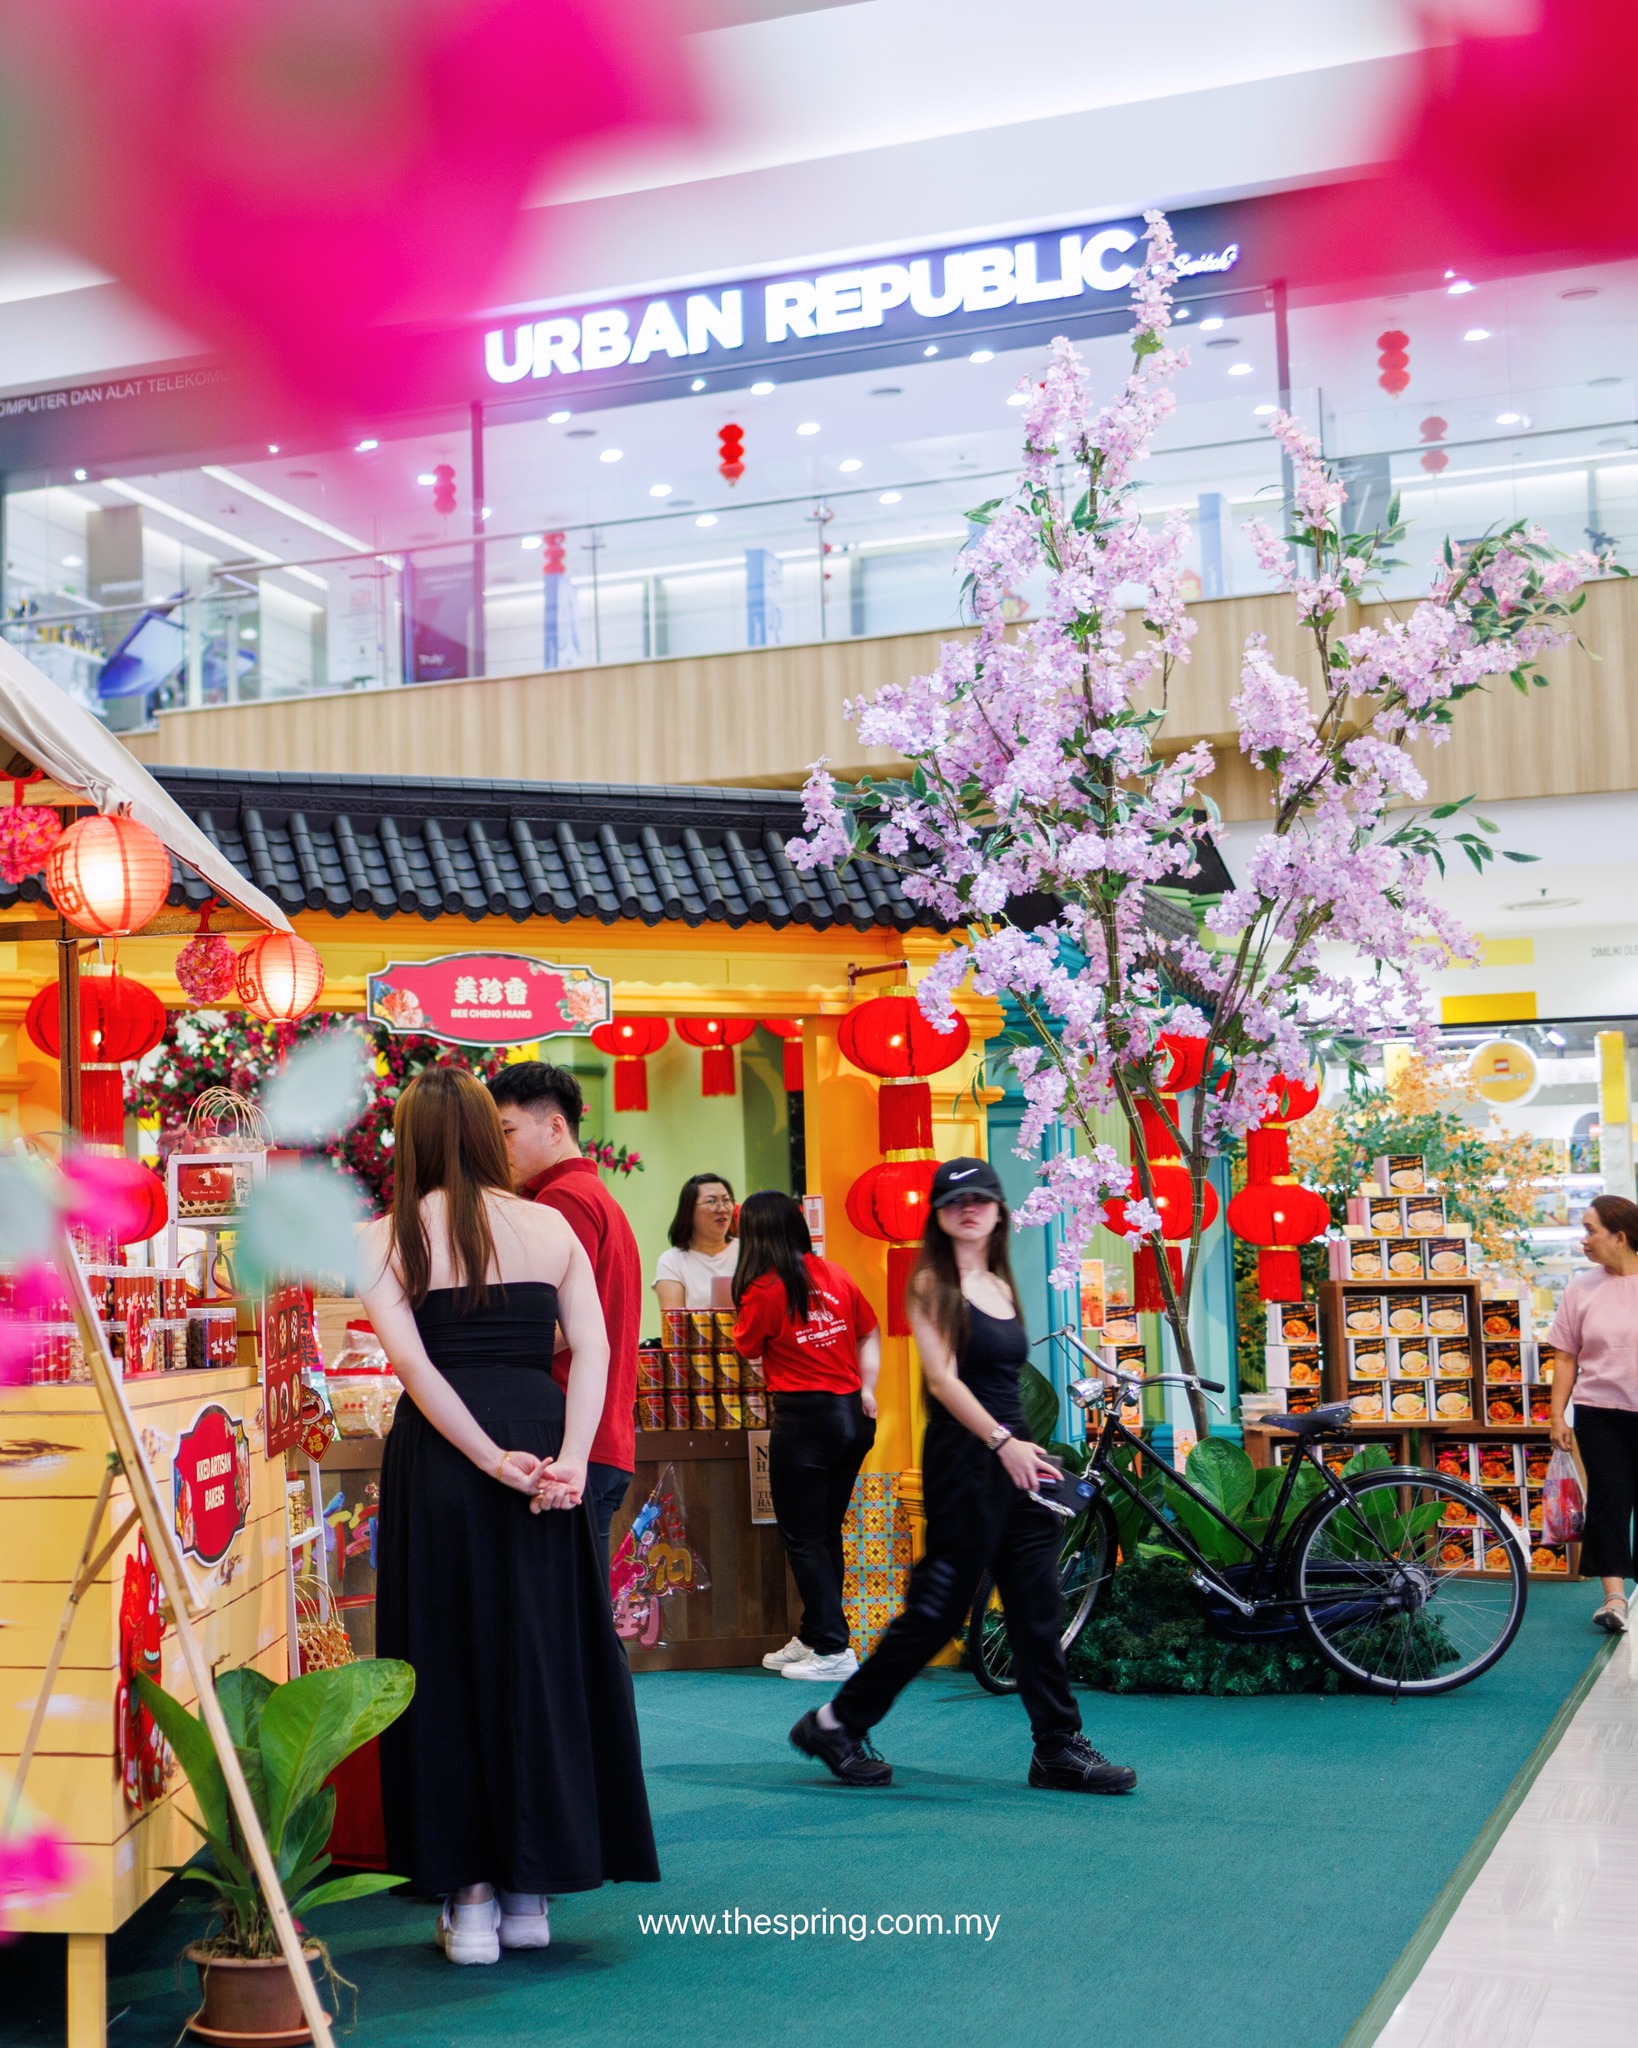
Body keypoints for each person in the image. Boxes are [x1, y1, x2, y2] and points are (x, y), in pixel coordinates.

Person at [363, 1066, 658, 1967]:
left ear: (411, 1141)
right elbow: (596, 1347)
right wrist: (570, 1457)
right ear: (488, 1137)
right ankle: (532, 1895)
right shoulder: (550, 1225)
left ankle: (473, 1904)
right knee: (543, 1657)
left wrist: (490, 1460)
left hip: (445, 1457)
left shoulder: (384, 1236)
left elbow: (416, 1371)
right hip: (544, 1434)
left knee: (447, 1661)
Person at [789, 1156, 1136, 1796]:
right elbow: (943, 1380)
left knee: (1037, 1605)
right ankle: (834, 1724)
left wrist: (1022, 1447)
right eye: (954, 1201)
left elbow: (1002, 1383)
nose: (968, 1209)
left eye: (980, 1198)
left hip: (1018, 1459)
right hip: (965, 1461)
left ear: (1000, 1211)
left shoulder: (1000, 1284)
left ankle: (1058, 1747)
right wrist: (1001, 1441)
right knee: (937, 1609)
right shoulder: (930, 1282)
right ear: (938, 1216)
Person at [488, 1060, 642, 1565]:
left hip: (568, 1442)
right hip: (602, 1438)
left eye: (507, 1131)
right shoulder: (596, 1196)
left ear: (556, 1127)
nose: (498, 1147)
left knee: (564, 1607)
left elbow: (553, 1327)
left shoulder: (561, 1200)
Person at [732, 1191, 881, 1683]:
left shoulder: (763, 1289)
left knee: (802, 1537)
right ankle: (817, 1634)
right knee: (824, 1533)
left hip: (805, 1420)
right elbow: (869, 1331)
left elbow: (746, 1346)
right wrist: (868, 1388)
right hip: (852, 1416)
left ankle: (834, 1649)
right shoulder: (835, 1274)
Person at [1547, 1192, 1638, 1632]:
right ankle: (1614, 1598)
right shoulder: (1580, 1289)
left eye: (1590, 1230)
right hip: (1599, 1411)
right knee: (1609, 1500)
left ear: (1619, 1237)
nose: (1583, 1239)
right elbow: (1565, 1356)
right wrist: (1556, 1416)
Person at [653, 1171, 739, 1309]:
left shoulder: (747, 1251)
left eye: (726, 1200)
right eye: (711, 1201)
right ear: (689, 1211)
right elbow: (674, 1319)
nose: (722, 1209)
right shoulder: (672, 1261)